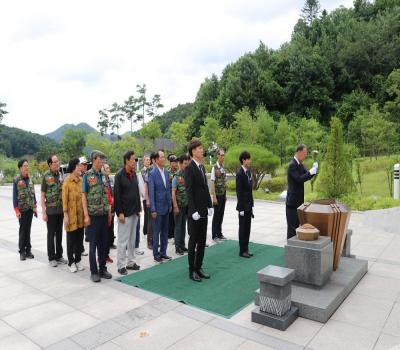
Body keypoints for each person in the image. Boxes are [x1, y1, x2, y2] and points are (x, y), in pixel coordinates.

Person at [82, 150, 112, 282]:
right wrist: (86, 215)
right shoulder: (87, 176)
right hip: (93, 216)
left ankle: (102, 268)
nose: (102, 162)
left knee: (103, 244)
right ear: (94, 160)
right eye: (100, 160)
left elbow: (107, 195)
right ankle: (94, 271)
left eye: (103, 160)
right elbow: (83, 196)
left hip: (104, 215)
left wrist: (109, 212)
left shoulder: (104, 176)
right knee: (93, 244)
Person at [185, 140, 213, 282]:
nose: (202, 150)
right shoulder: (189, 168)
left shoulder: (202, 167)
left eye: (202, 148)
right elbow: (189, 192)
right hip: (194, 213)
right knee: (193, 241)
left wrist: (209, 205)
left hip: (203, 210)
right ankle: (192, 270)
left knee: (202, 241)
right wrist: (193, 210)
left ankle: (199, 266)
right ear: (193, 151)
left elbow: (205, 188)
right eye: (200, 148)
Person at [114, 150, 141, 275]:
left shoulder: (134, 174)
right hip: (124, 214)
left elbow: (136, 192)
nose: (135, 162)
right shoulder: (119, 175)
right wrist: (119, 213)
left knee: (132, 240)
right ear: (126, 160)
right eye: (133, 159)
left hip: (134, 212)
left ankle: (131, 262)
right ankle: (120, 265)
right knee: (123, 241)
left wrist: (138, 209)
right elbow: (117, 196)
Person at [286, 144, 318, 239]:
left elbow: (306, 176)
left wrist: (314, 170)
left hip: (299, 201)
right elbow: (299, 179)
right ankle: (291, 250)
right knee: (292, 228)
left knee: (297, 226)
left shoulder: (300, 164)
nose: (305, 156)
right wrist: (310, 172)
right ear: (299, 152)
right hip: (292, 202)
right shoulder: (292, 165)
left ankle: (296, 249)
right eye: (304, 154)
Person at [41, 154, 67, 267]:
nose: (58, 163)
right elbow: (42, 195)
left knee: (60, 233)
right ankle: (51, 257)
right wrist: (43, 211)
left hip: (60, 210)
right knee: (51, 235)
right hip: (50, 211)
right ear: (50, 164)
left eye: (58, 161)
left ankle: (59, 255)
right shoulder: (46, 176)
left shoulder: (61, 175)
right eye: (55, 162)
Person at [148, 150, 172, 263]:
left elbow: (168, 190)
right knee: (156, 232)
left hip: (166, 207)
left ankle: (163, 252)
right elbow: (151, 192)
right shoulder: (152, 173)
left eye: (164, 157)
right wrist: (153, 209)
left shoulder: (166, 172)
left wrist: (170, 204)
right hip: (157, 209)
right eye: (161, 157)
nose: (163, 159)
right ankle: (156, 254)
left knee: (165, 231)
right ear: (156, 160)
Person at [62, 158, 85, 273]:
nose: (80, 168)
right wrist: (65, 215)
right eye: (78, 166)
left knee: (79, 239)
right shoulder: (67, 182)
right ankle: (71, 262)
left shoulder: (81, 180)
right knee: (71, 240)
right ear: (73, 167)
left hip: (80, 216)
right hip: (70, 216)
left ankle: (78, 260)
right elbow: (64, 200)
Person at [13, 159, 37, 260]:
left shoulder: (30, 179)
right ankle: (22, 251)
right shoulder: (17, 179)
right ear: (20, 167)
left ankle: (28, 250)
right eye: (25, 166)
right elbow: (14, 196)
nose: (27, 167)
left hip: (30, 208)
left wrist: (35, 207)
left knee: (28, 230)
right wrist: (16, 211)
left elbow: (33, 194)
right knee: (23, 230)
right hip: (22, 209)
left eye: (28, 165)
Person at [236, 151, 254, 258]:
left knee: (248, 228)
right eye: (248, 159)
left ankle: (246, 248)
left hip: (249, 205)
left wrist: (251, 205)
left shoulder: (248, 172)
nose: (249, 161)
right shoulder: (240, 174)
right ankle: (242, 250)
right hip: (243, 206)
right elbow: (239, 191)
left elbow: (250, 191)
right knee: (242, 228)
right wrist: (241, 207)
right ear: (243, 160)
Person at [172, 154, 190, 255]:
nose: (186, 166)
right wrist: (175, 206)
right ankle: (177, 247)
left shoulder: (187, 174)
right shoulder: (176, 176)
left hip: (186, 205)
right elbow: (173, 192)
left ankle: (182, 245)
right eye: (185, 164)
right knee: (178, 226)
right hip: (179, 205)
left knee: (183, 226)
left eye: (187, 164)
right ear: (180, 164)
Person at [211, 148, 227, 243]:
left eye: (223, 155)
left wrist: (225, 195)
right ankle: (214, 235)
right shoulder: (214, 167)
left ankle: (219, 233)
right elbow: (212, 183)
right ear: (217, 156)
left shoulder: (223, 167)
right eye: (221, 155)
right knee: (216, 215)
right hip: (217, 195)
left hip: (223, 195)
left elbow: (224, 182)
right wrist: (214, 197)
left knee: (221, 214)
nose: (222, 157)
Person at [102, 163, 115, 264]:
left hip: (112, 208)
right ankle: (103, 256)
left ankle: (107, 254)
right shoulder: (101, 180)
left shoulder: (110, 179)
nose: (108, 169)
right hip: (104, 210)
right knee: (104, 235)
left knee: (110, 230)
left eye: (108, 167)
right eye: (106, 168)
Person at [79, 155, 89, 257]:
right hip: (78, 205)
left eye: (86, 164)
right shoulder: (77, 175)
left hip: (85, 204)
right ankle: (78, 248)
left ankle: (81, 247)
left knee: (83, 227)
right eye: (84, 164)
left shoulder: (86, 175)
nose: (86, 166)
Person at [167, 155, 178, 240]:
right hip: (169, 197)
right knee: (169, 217)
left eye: (176, 162)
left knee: (176, 217)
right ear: (170, 163)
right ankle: (169, 234)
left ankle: (175, 234)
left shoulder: (179, 172)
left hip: (177, 197)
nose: (176, 163)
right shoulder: (167, 172)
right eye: (174, 162)